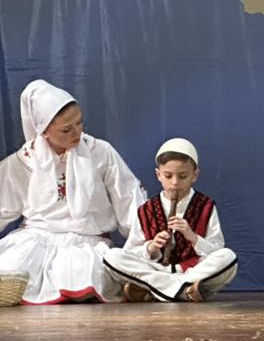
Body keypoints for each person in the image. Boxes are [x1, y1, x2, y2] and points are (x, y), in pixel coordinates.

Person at [0, 79, 146, 304]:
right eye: (66, 129)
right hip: (35, 239)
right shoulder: (22, 162)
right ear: (44, 131)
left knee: (82, 274)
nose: (77, 132)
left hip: (87, 240)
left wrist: (144, 245)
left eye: (79, 123)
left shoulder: (100, 152)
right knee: (12, 268)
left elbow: (127, 198)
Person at [104, 138, 237, 302]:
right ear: (158, 175)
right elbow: (130, 252)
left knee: (228, 257)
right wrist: (152, 247)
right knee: (112, 257)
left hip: (192, 270)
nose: (174, 183)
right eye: (168, 176)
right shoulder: (145, 210)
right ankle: (183, 290)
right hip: (156, 269)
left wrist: (192, 237)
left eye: (183, 176)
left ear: (194, 175)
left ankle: (156, 289)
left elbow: (216, 250)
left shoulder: (206, 206)